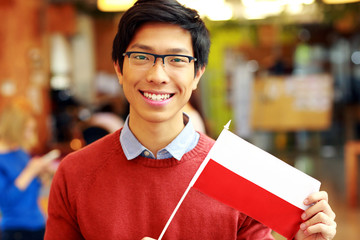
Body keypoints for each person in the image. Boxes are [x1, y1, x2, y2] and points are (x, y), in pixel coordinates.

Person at [45, 0, 336, 239]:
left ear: (197, 74)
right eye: (142, 57)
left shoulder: (237, 173)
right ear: (119, 68)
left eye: (177, 60)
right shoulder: (74, 174)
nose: (158, 75)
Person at [0, 100, 54, 240]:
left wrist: (43, 174)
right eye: (27, 129)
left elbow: (32, 189)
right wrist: (30, 171)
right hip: (16, 230)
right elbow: (6, 201)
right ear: (15, 128)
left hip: (38, 223)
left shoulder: (20, 152)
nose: (30, 135)